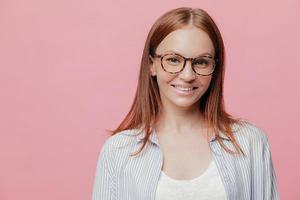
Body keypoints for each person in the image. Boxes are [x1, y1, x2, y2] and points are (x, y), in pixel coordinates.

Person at [92, 7, 280, 200]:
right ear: (151, 65)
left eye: (201, 62)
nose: (188, 75)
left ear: (215, 67)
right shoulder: (118, 151)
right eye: (173, 59)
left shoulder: (250, 142)